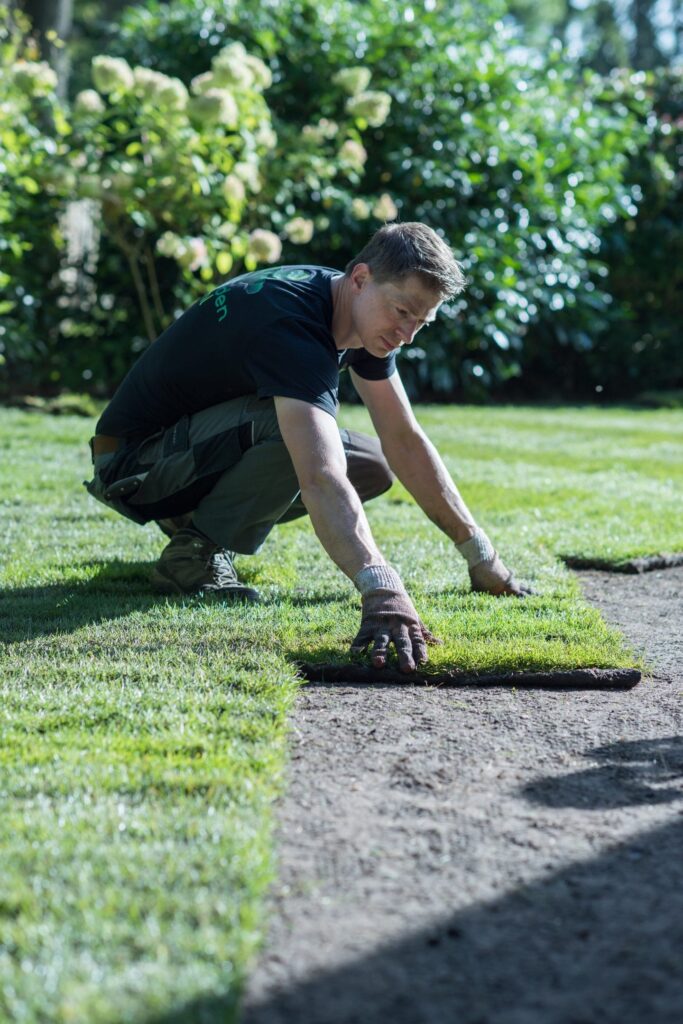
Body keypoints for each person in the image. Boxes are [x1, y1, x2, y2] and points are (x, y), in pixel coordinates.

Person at [86, 222, 531, 674]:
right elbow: (320, 476)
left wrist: (481, 556)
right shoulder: (293, 324)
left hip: (184, 454)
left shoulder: (354, 308)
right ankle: (193, 552)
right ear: (360, 279)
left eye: (421, 322)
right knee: (294, 434)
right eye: (402, 312)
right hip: (133, 465)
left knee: (371, 465)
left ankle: (193, 518)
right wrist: (382, 588)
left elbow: (404, 440)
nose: (408, 334)